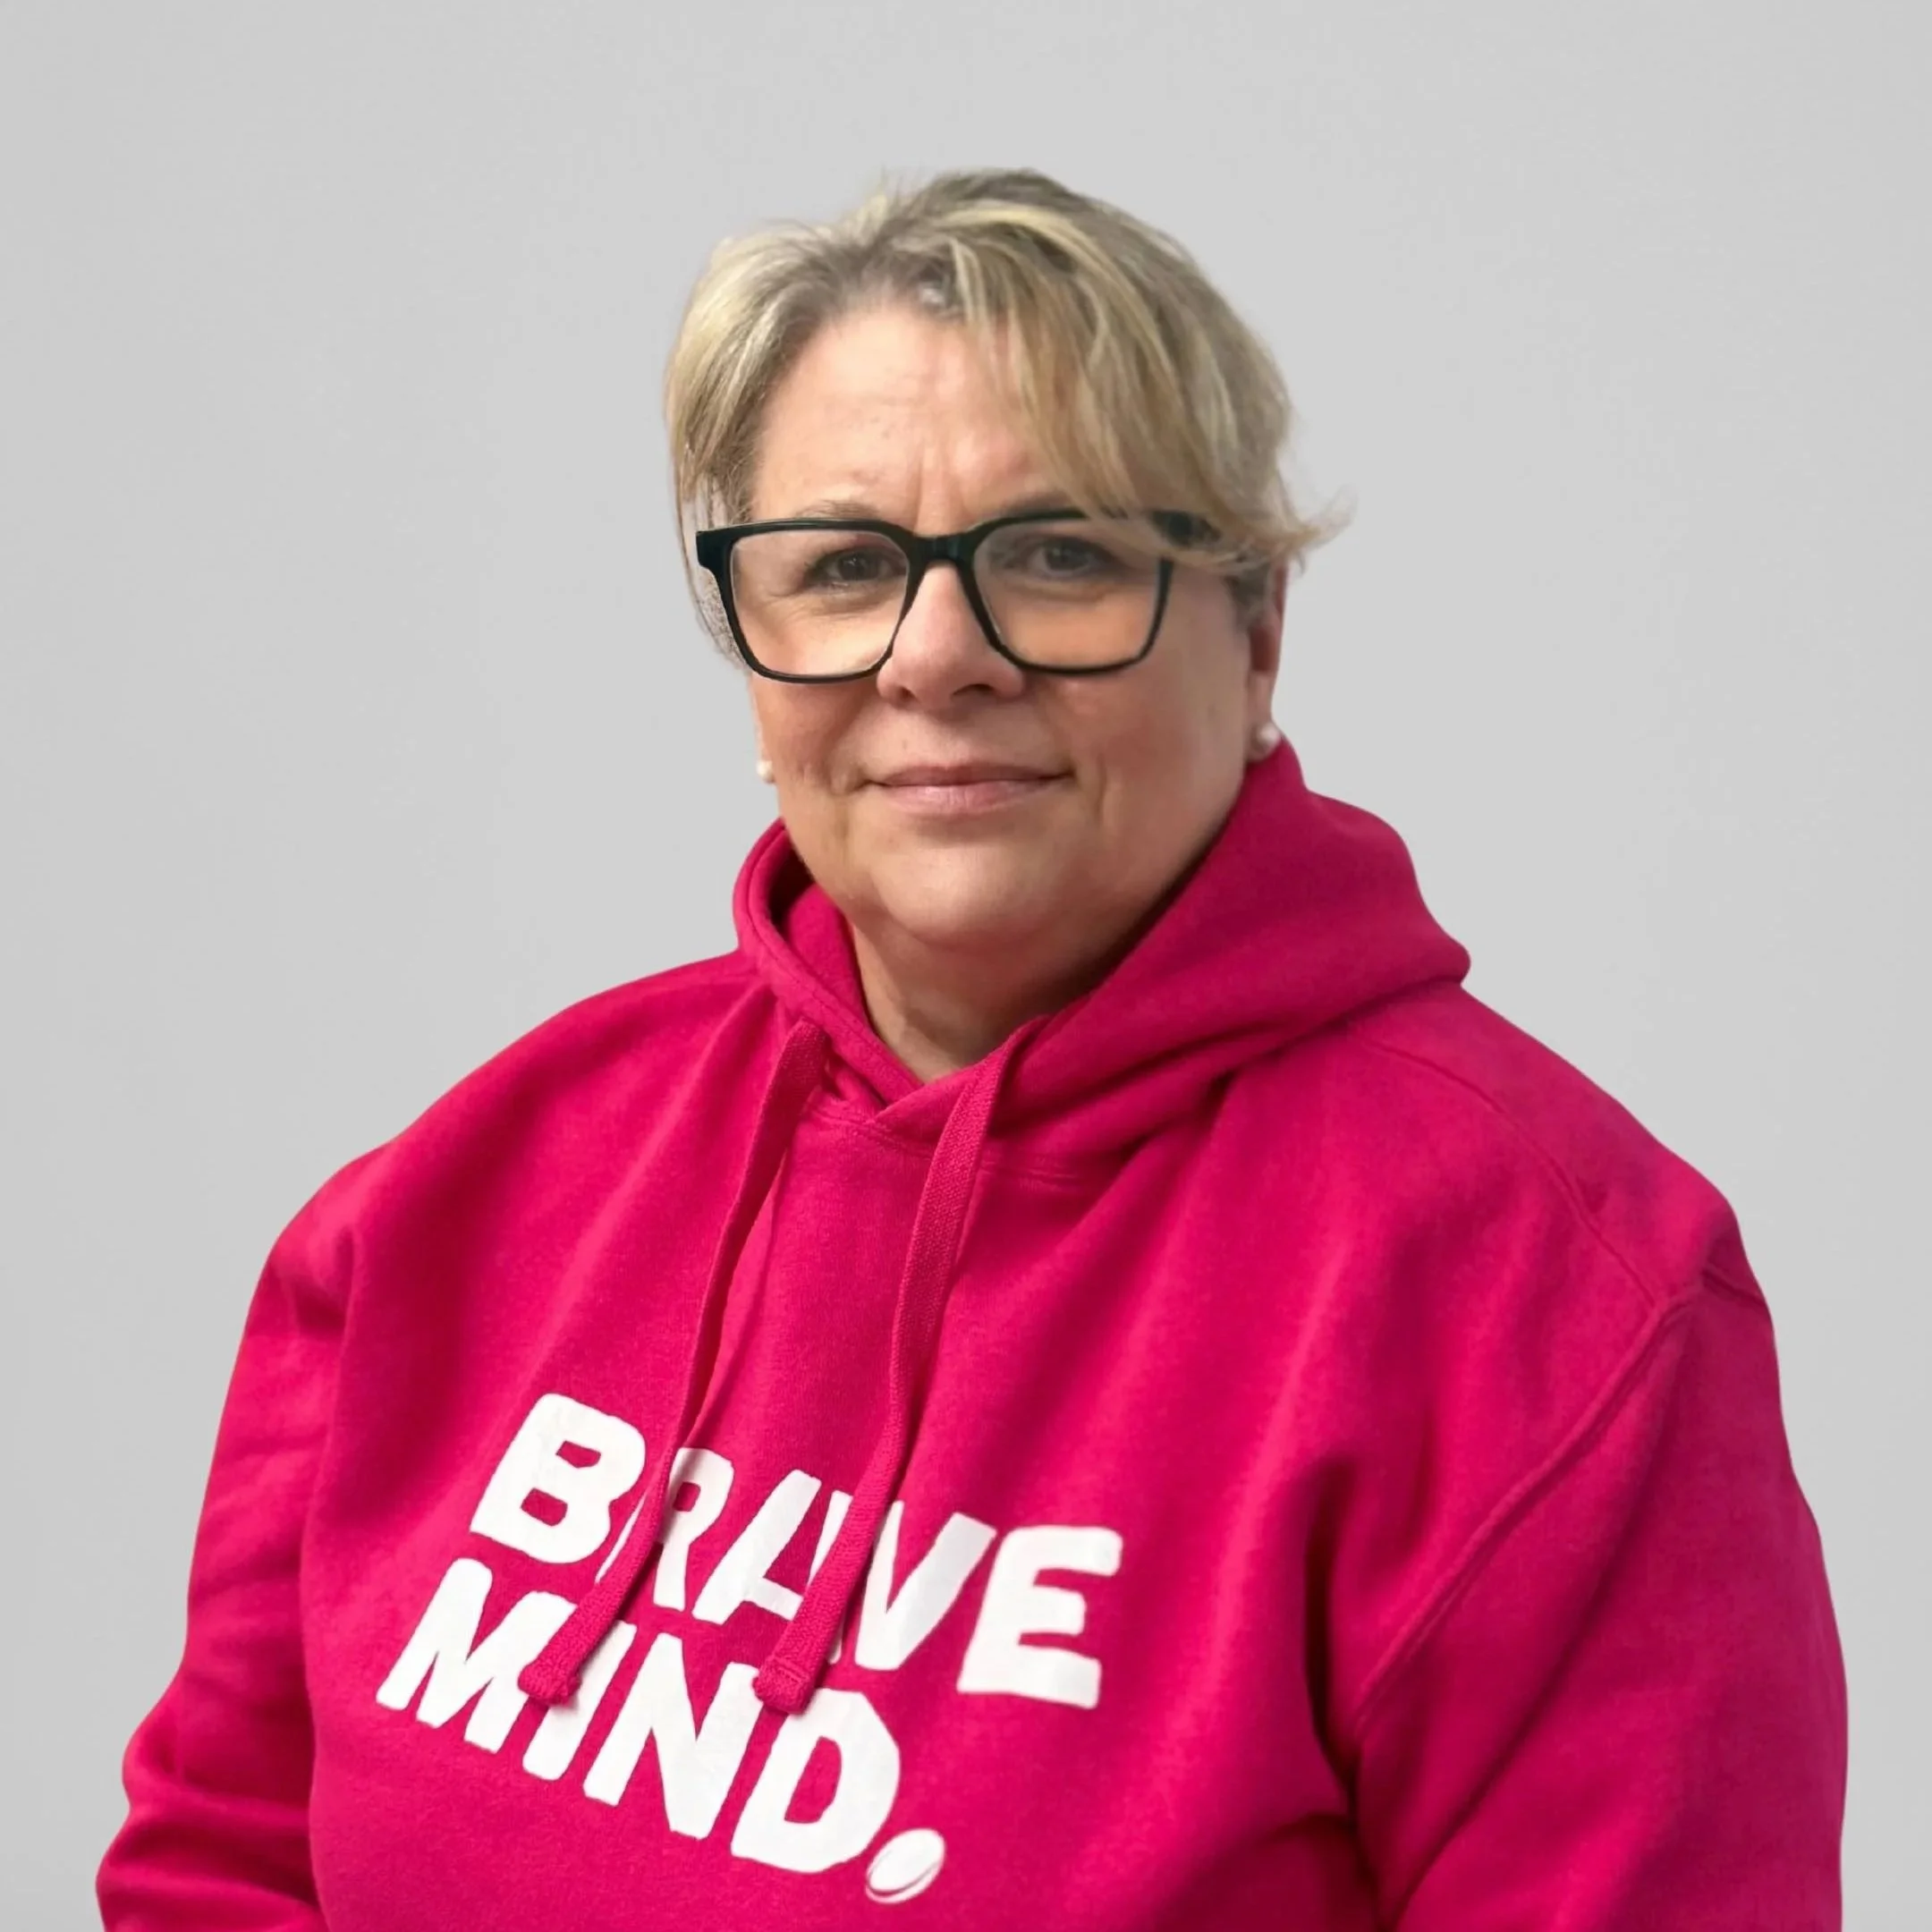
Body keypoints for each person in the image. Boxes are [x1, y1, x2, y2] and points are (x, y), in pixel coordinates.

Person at [98, 166, 1847, 1930]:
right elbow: (219, 1866)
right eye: (845, 566)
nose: (936, 659)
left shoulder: (1563, 1300)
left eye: (1058, 556)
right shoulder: (462, 1196)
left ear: (1255, 638)